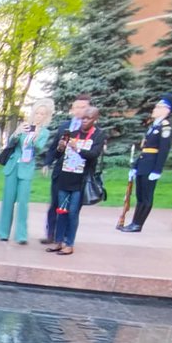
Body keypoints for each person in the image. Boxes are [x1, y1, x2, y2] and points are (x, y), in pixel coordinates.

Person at [46, 106, 105, 256]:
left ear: (95, 119)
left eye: (88, 118)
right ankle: (58, 241)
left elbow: (94, 154)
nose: (84, 121)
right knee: (61, 211)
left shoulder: (98, 135)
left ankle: (69, 243)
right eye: (83, 118)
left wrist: (77, 148)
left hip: (80, 180)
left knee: (72, 212)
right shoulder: (72, 132)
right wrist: (60, 148)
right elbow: (60, 154)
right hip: (65, 176)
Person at [0, 99, 55, 244]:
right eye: (37, 113)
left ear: (46, 116)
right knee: (8, 201)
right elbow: (11, 143)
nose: (39, 116)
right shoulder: (24, 126)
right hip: (13, 165)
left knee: (23, 203)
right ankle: (3, 232)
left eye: (42, 114)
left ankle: (21, 235)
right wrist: (17, 133)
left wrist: (35, 140)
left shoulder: (44, 132)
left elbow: (39, 149)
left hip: (26, 167)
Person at [41, 94, 92, 243]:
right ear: (72, 109)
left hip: (79, 175)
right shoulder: (65, 126)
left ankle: (66, 238)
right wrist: (47, 162)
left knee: (72, 209)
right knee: (55, 204)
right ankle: (51, 234)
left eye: (83, 107)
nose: (79, 110)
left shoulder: (92, 130)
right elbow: (54, 148)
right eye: (77, 107)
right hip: (61, 172)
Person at [120, 94, 172, 233]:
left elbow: (163, 151)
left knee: (146, 197)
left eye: (158, 107)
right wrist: (135, 166)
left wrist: (157, 170)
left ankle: (138, 224)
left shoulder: (165, 127)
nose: (155, 109)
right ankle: (134, 222)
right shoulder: (154, 126)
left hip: (151, 167)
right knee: (140, 195)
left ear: (167, 110)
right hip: (144, 165)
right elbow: (145, 150)